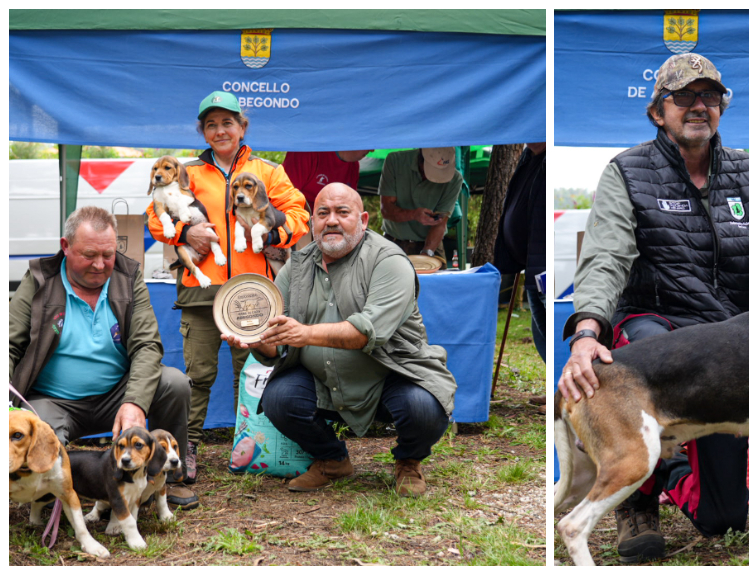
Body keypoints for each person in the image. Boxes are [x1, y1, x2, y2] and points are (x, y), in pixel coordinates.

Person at [558, 53, 749, 562]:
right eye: (684, 97)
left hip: (731, 348)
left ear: (721, 108)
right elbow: (606, 258)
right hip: (654, 325)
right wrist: (588, 329)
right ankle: (636, 502)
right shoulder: (626, 172)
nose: (699, 106)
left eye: (710, 97)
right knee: (647, 348)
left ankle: (669, 467)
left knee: (722, 521)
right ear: (658, 111)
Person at [222, 183, 456, 496]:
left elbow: (365, 332)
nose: (331, 220)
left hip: (393, 374)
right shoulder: (297, 265)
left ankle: (408, 461)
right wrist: (253, 338)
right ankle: (332, 460)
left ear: (364, 220)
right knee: (279, 398)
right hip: (323, 380)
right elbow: (277, 341)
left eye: (342, 212)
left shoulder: (390, 261)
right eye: (323, 213)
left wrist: (304, 334)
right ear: (311, 222)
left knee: (424, 408)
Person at [146, 90, 310, 485]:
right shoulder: (184, 172)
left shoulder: (268, 171)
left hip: (253, 293)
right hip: (201, 292)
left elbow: (298, 214)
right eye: (211, 124)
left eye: (228, 122)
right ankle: (186, 449)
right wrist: (188, 231)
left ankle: (253, 444)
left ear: (242, 126)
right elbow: (155, 216)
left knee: (252, 372)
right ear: (203, 132)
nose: (220, 130)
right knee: (197, 376)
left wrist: (272, 235)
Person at [10, 206, 197, 509]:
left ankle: (163, 479)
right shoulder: (38, 280)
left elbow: (147, 345)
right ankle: (42, 494)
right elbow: (9, 345)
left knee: (173, 383)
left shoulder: (128, 276)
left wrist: (135, 400)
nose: (100, 265)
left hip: (117, 395)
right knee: (33, 435)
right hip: (53, 400)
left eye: (108, 255)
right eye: (89, 255)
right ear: (65, 246)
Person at [493, 143, 547, 412]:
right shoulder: (529, 156)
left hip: (546, 265)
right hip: (530, 263)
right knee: (540, 330)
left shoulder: (550, 159)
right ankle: (555, 387)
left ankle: (565, 392)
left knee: (550, 329)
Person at [378, 147, 464, 258]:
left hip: (432, 245)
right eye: (433, 171)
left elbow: (441, 223)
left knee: (435, 274)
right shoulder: (395, 161)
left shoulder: (455, 179)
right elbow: (386, 211)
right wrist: (413, 215)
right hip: (394, 243)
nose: (436, 178)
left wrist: (427, 253)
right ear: (421, 159)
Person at [282, 150, 372, 208]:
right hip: (300, 225)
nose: (372, 150)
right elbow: (283, 197)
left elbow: (350, 205)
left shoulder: (354, 166)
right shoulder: (307, 152)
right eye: (369, 144)